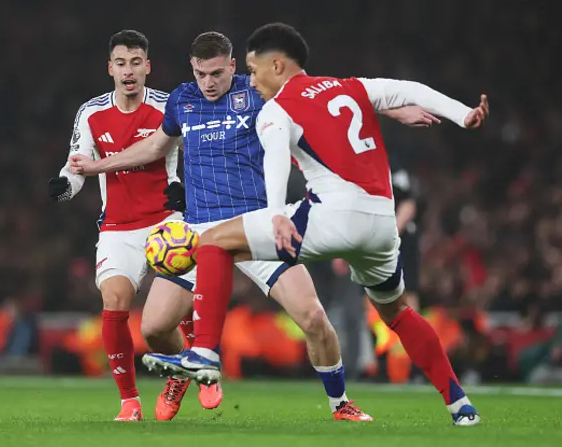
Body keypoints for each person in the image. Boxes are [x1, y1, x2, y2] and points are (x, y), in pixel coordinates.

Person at [140, 23, 489, 426]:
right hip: (380, 225)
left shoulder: (275, 108)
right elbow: (411, 89)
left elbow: (274, 160)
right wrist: (463, 114)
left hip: (330, 214)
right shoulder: (350, 86)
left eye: (253, 71)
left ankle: (204, 351)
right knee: (397, 314)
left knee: (214, 243)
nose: (249, 81)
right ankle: (460, 405)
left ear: (277, 65)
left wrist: (274, 214)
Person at [69, 31, 427, 422]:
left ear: (233, 66)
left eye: (217, 73)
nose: (209, 82)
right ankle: (183, 375)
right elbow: (156, 147)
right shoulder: (182, 101)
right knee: (153, 328)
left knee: (313, 318)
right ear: (193, 70)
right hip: (201, 232)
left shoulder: (256, 92)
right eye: (201, 74)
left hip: (254, 228)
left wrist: (393, 109)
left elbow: (322, 96)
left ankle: (340, 403)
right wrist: (96, 166)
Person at [48, 29, 187, 422]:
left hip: (167, 221)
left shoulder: (167, 106)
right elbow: (77, 165)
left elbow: (182, 159)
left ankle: (192, 363)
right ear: (110, 69)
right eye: (121, 63)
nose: (129, 71)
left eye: (136, 63)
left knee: (165, 318)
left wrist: (179, 188)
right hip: (118, 227)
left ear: (148, 67)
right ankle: (130, 401)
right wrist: (65, 188)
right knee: (114, 303)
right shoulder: (91, 112)